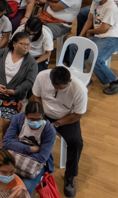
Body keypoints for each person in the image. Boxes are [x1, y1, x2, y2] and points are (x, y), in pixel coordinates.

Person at [31, 66, 87, 197]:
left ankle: (70, 176)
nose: (57, 89)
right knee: (29, 132)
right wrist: (41, 115)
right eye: (55, 85)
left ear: (69, 81)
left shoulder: (79, 90)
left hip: (66, 118)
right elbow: (36, 97)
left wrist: (55, 124)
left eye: (61, 87)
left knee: (76, 143)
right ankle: (33, 166)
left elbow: (77, 115)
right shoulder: (42, 76)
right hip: (44, 113)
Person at [72, 0, 118, 95]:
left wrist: (90, 31)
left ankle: (116, 81)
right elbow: (89, 20)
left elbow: (104, 29)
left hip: (111, 38)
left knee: (95, 60)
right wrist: (80, 37)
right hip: (98, 36)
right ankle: (84, 75)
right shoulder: (96, 2)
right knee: (74, 47)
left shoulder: (110, 7)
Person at [0, 33, 38, 136]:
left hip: (14, 97)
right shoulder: (1, 53)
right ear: (14, 44)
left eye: (28, 44)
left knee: (7, 121)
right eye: (23, 44)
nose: (26, 47)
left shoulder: (31, 62)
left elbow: (29, 81)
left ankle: (3, 139)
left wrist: (15, 91)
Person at [2, 101, 56, 195]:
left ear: (43, 116)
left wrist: (16, 146)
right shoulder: (18, 118)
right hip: (18, 159)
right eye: (31, 119)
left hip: (33, 165)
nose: (35, 122)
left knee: (24, 190)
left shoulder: (49, 131)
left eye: (38, 119)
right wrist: (30, 149)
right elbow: (6, 141)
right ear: (25, 115)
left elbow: (42, 157)